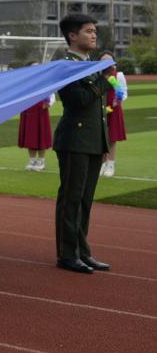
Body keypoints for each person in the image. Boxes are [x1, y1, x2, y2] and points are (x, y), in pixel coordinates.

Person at [51, 14, 111, 274]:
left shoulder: (88, 65)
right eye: (88, 31)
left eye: (94, 30)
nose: (94, 35)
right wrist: (103, 76)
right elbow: (79, 100)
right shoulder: (66, 66)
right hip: (74, 140)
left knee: (85, 201)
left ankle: (82, 252)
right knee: (71, 199)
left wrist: (102, 142)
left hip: (92, 141)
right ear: (72, 36)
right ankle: (67, 254)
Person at [18, 61, 54, 171]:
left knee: (41, 136)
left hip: (41, 112)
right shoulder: (25, 82)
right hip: (28, 111)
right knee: (30, 136)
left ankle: (41, 161)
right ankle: (32, 161)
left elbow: (51, 94)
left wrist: (48, 103)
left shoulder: (45, 81)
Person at [98, 50, 127, 178]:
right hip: (100, 109)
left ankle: (110, 164)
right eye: (103, 60)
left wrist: (117, 101)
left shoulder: (118, 75)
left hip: (113, 109)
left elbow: (123, 91)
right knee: (100, 137)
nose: (106, 62)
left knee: (112, 138)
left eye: (109, 60)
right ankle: (102, 163)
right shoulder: (96, 75)